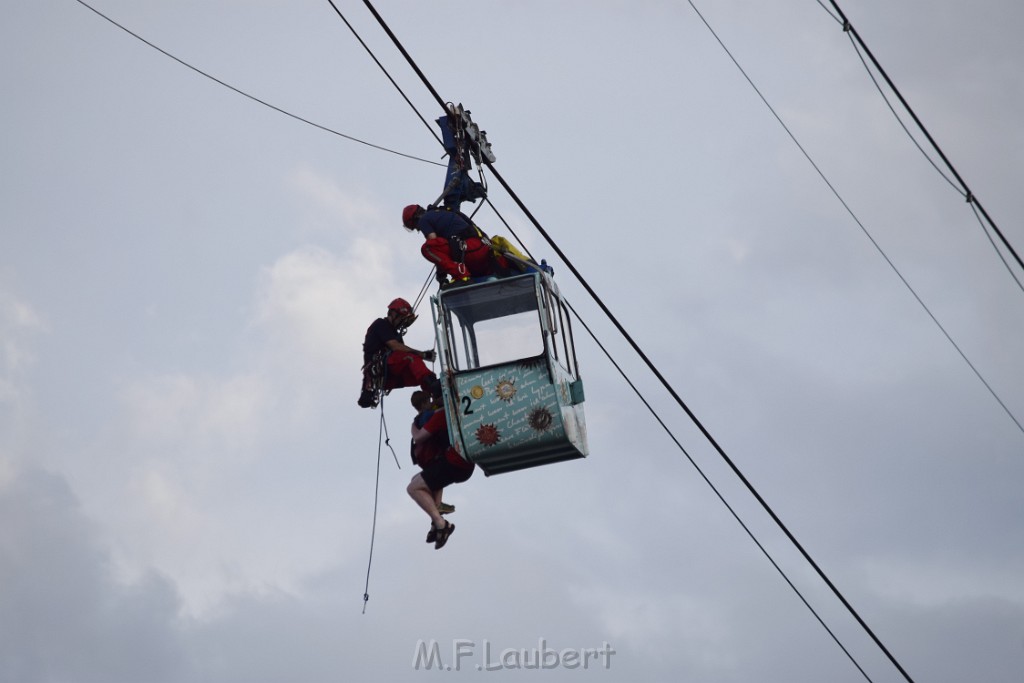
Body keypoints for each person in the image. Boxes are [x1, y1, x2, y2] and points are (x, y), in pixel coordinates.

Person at [407, 402, 474, 549]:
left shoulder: (441, 414)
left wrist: (413, 425)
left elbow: (419, 437)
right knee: (417, 481)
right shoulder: (454, 411)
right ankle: (435, 523)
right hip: (460, 462)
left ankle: (442, 524)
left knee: (413, 488)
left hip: (455, 462)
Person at [358, 298, 440, 408]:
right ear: (393, 314)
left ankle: (435, 400)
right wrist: (422, 354)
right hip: (382, 369)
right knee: (411, 358)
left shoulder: (395, 334)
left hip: (389, 376)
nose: (402, 322)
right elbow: (396, 347)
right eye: (402, 318)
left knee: (417, 375)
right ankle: (434, 386)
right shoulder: (380, 324)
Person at [402, 204, 510, 287]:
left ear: (415, 219)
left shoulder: (424, 219)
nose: (418, 229)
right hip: (483, 250)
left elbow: (434, 242)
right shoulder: (444, 212)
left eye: (415, 227)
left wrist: (441, 275)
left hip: (469, 249)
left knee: (427, 248)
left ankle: (461, 275)